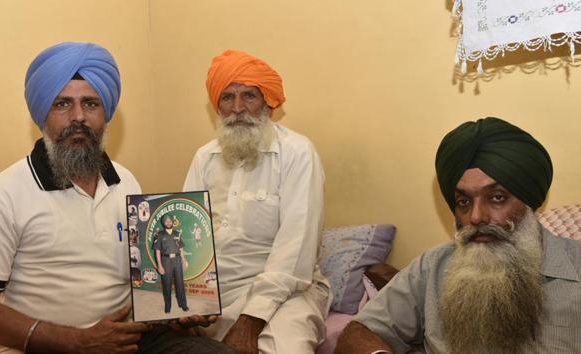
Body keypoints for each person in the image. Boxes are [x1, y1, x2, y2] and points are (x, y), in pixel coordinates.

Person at [0, 42, 235, 354]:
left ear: (106, 113)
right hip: (42, 346)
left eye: (90, 104)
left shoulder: (126, 182)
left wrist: (176, 311)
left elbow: (145, 281)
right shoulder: (4, 194)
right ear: (42, 113)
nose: (78, 118)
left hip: (128, 340)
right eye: (62, 104)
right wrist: (76, 342)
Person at [335, 117, 581, 354]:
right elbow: (359, 332)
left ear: (529, 201)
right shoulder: (433, 267)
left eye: (497, 198)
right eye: (463, 201)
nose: (476, 217)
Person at [184, 49, 330, 353]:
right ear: (217, 107)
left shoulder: (298, 153)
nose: (238, 108)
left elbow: (295, 250)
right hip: (214, 295)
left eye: (249, 96)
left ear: (268, 104)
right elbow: (189, 239)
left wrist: (251, 319)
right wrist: (186, 302)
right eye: (227, 97)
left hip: (287, 293)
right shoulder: (204, 158)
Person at [155, 214, 189, 313]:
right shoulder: (159, 235)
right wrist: (159, 266)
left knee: (180, 284)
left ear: (172, 222)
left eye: (170, 221)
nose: (168, 222)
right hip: (166, 261)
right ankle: (168, 306)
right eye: (166, 221)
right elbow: (157, 251)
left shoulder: (177, 233)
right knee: (167, 285)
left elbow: (181, 248)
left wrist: (183, 260)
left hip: (177, 260)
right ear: (163, 223)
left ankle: (183, 304)